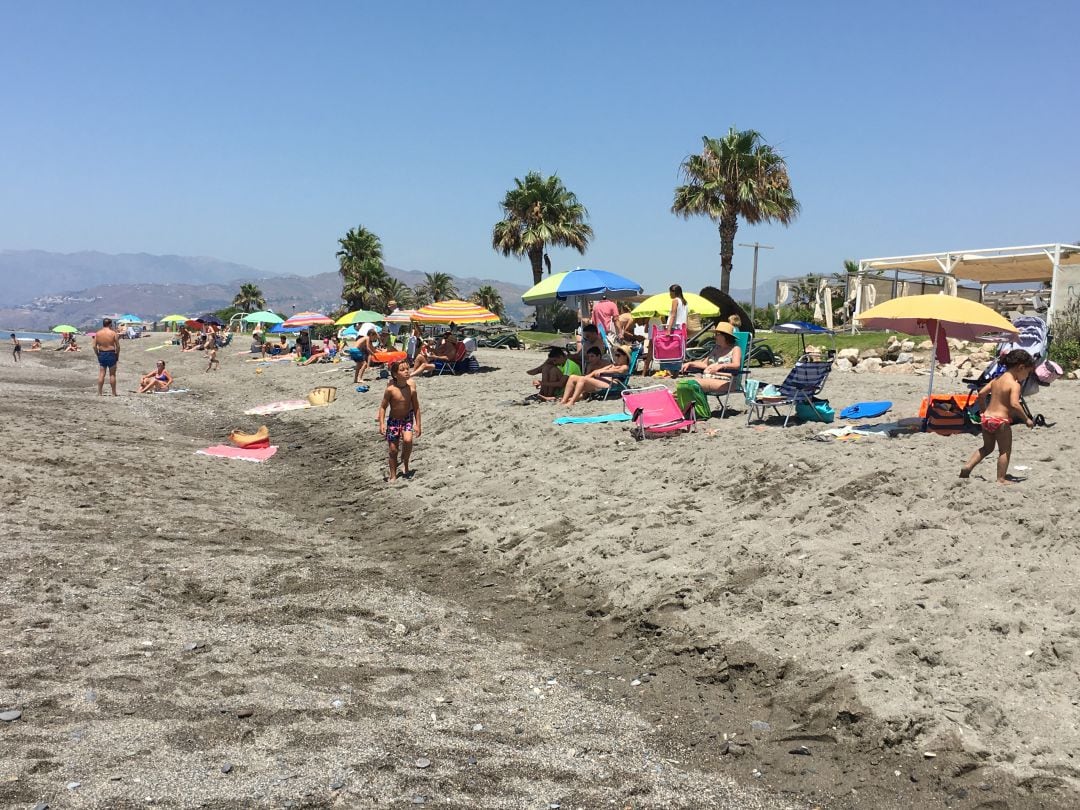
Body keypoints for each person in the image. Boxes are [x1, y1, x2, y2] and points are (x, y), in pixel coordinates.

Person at [960, 349, 1036, 483]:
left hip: (987, 419)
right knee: (1005, 450)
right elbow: (1014, 404)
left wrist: (983, 411)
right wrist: (1027, 419)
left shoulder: (996, 380)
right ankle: (1001, 478)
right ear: (1021, 367)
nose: (1026, 376)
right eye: (1027, 373)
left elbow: (982, 394)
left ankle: (968, 466)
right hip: (1001, 421)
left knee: (987, 448)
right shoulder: (1015, 384)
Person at [377, 358, 421, 482]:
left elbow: (417, 408)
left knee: (408, 440)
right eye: (402, 370)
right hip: (393, 421)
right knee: (393, 449)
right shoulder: (390, 389)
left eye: (408, 369)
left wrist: (418, 425)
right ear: (395, 374)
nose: (407, 371)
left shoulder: (411, 390)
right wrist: (381, 423)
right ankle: (393, 474)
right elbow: (383, 407)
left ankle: (405, 462)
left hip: (407, 419)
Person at [560, 345, 631, 406]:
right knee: (572, 377)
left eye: (618, 355)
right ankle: (564, 400)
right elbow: (596, 371)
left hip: (613, 383)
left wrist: (603, 371)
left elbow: (618, 371)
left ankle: (572, 401)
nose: (616, 357)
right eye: (616, 355)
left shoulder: (624, 366)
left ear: (625, 357)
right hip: (603, 381)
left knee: (583, 380)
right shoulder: (613, 365)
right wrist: (592, 374)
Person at [691, 323, 743, 395]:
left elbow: (736, 365)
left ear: (724, 336)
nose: (714, 336)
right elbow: (704, 364)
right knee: (683, 385)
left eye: (716, 334)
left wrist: (721, 366)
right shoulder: (716, 348)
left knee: (691, 385)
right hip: (708, 378)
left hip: (727, 381)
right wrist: (690, 363)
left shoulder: (735, 349)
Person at [93, 318, 120, 396]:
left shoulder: (98, 333)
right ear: (110, 324)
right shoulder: (113, 333)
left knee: (102, 373)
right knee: (112, 374)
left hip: (102, 353)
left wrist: (97, 354)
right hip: (111, 353)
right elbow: (118, 346)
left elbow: (94, 346)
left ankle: (99, 392)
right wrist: (117, 355)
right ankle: (114, 393)